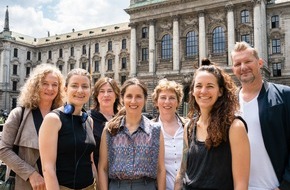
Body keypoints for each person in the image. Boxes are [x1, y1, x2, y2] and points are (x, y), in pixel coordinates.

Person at [174, 59, 250, 190]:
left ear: (220, 91)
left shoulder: (235, 127)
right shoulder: (189, 127)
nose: (203, 91)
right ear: (192, 91)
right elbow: (181, 173)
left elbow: (241, 185)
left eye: (210, 86)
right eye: (198, 86)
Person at [231, 41, 290, 190]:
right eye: (238, 64)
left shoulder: (284, 95)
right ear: (233, 69)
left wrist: (285, 185)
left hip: (274, 186)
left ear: (260, 63)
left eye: (248, 61)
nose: (243, 67)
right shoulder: (228, 104)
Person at [0, 63, 64, 190]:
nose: (50, 88)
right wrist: (31, 174)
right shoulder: (18, 114)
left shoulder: (63, 115)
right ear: (35, 85)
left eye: (55, 84)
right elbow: (3, 150)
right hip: (25, 184)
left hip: (58, 183)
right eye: (44, 83)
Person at [98, 77, 166, 190]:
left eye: (138, 96)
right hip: (117, 186)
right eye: (129, 96)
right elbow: (103, 168)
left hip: (146, 186)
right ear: (122, 98)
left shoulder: (155, 130)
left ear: (145, 99)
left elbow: (160, 169)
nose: (133, 101)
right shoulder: (110, 129)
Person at [39, 68, 96, 190]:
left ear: (90, 91)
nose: (80, 90)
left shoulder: (89, 120)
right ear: (65, 89)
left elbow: (90, 161)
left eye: (85, 86)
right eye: (74, 86)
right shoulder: (53, 119)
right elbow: (48, 168)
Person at [151, 78, 188, 190]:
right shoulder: (149, 129)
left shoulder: (189, 127)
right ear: (156, 102)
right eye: (163, 98)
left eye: (172, 98)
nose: (167, 102)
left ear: (178, 102)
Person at [88, 77, 121, 171]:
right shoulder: (88, 118)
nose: (106, 95)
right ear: (97, 95)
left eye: (110, 91)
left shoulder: (123, 118)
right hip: (96, 173)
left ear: (116, 94)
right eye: (102, 91)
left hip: (120, 178)